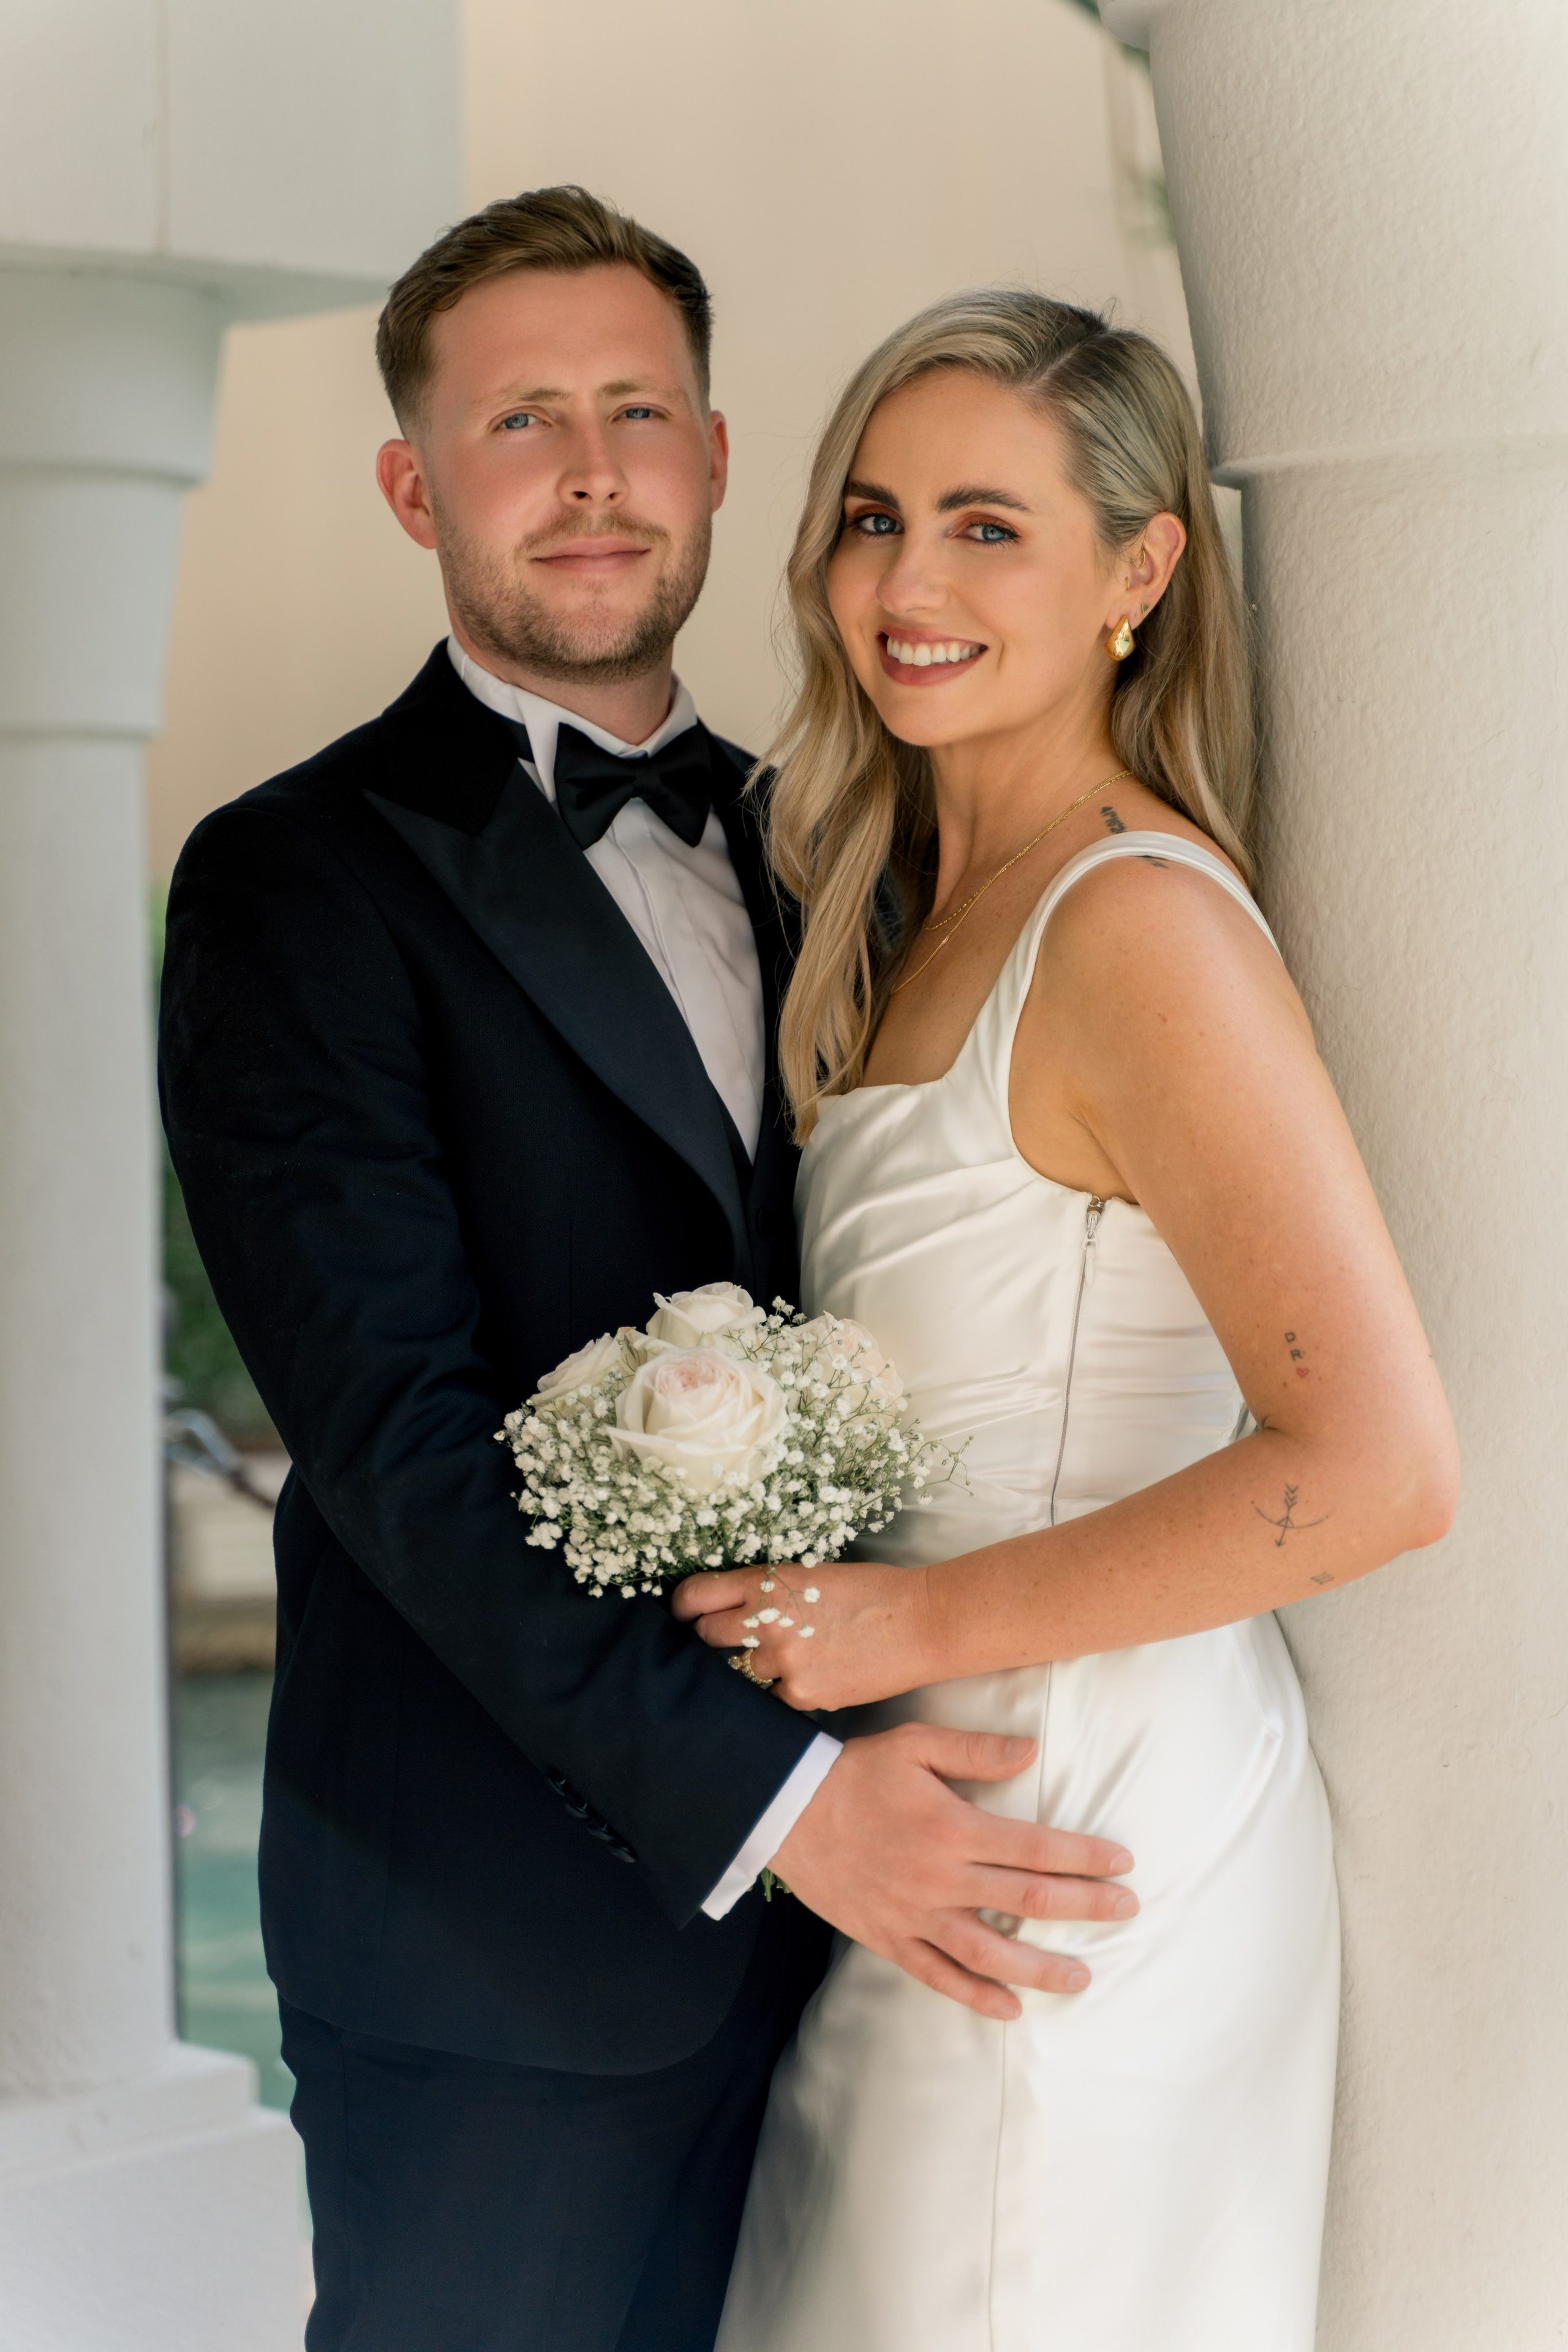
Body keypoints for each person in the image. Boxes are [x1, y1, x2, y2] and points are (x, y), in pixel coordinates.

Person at [157, 198, 1134, 2352]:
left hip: (868, 1941)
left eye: (635, 413)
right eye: (521, 421)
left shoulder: (843, 850)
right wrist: (788, 1808)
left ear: (711, 459)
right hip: (497, 1955)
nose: (590, 473)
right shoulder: (294, 883)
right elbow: (400, 1447)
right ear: (418, 485)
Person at [673, 290, 1460, 2351]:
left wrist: (906, 1630)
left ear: (1141, 567)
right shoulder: (900, 904)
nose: (905, 584)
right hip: (925, 1815)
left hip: (1088, 1834)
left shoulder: (1136, 927)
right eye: (871, 515)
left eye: (986, 527)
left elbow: (1379, 1463)